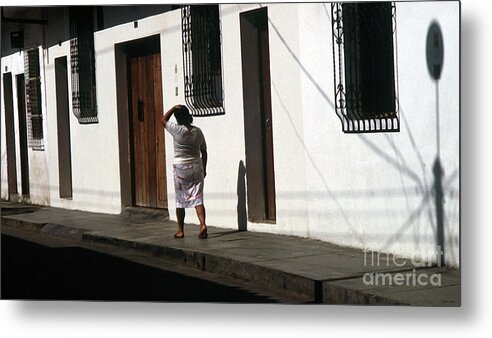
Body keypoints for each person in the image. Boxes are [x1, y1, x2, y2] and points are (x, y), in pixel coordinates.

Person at [161, 104, 208, 239]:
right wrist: (204, 168)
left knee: (180, 200)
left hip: (181, 168)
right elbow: (204, 151)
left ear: (178, 118)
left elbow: (163, 120)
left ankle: (180, 231)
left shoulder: (177, 129)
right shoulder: (197, 131)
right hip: (196, 167)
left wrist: (172, 109)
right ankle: (203, 224)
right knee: (197, 197)